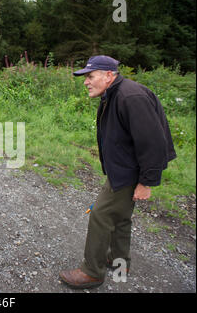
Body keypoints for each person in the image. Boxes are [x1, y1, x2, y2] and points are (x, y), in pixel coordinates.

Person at [59, 55, 176, 289]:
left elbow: (152, 143)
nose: (86, 82)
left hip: (130, 171)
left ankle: (92, 272)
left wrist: (147, 182)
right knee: (120, 217)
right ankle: (119, 260)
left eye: (90, 76)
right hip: (122, 168)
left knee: (100, 215)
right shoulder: (113, 93)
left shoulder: (130, 97)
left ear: (108, 75)